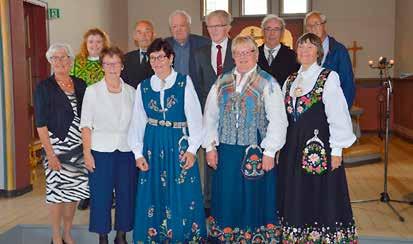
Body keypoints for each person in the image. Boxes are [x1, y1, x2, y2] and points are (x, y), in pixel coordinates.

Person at [203, 35, 288, 242]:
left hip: (255, 151)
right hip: (227, 151)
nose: (242, 56)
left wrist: (270, 151)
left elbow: (278, 119)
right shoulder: (221, 82)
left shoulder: (268, 82)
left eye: (247, 52)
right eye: (237, 52)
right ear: (232, 56)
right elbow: (210, 117)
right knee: (228, 197)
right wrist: (210, 147)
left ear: (256, 54)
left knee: (253, 198)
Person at [278, 33, 357, 243]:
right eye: (301, 46)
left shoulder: (328, 77)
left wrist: (337, 150)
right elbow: (282, 117)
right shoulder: (290, 79)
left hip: (318, 148)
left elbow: (338, 114)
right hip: (292, 149)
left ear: (318, 52)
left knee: (320, 193)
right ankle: (298, 235)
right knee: (296, 192)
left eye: (310, 47)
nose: (304, 51)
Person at [128, 38, 206, 243]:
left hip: (178, 144)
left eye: (161, 57)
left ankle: (183, 237)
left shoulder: (183, 82)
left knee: (182, 192)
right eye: (153, 58)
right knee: (154, 194)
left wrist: (192, 149)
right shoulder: (143, 87)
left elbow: (196, 118)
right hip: (152, 145)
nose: (157, 62)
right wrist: (137, 153)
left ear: (171, 58)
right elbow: (137, 122)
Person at [34, 43, 89, 244]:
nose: (60, 61)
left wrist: (87, 148)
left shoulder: (80, 84)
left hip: (78, 147)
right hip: (56, 147)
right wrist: (49, 154)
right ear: (50, 62)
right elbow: (40, 124)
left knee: (74, 192)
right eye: (55, 58)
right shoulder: (44, 87)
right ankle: (56, 236)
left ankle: (67, 232)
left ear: (71, 60)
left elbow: (88, 117)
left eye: (64, 57)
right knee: (57, 193)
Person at [80, 46, 136, 244]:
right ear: (102, 66)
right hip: (100, 151)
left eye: (116, 63)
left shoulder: (132, 92)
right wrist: (87, 153)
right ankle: (102, 236)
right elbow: (85, 125)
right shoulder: (92, 91)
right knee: (100, 195)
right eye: (107, 63)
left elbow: (137, 125)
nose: (112, 67)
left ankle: (121, 235)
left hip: (126, 151)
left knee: (126, 194)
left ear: (122, 66)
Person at [193, 9, 235, 215]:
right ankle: (209, 202)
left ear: (228, 27)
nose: (213, 30)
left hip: (234, 117)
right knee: (210, 159)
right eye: (210, 26)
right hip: (207, 117)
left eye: (218, 25)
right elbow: (196, 86)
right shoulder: (199, 53)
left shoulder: (239, 50)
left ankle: (229, 200)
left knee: (229, 160)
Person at [305, 11, 355, 108]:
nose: (313, 28)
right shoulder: (303, 52)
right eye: (309, 26)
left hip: (333, 107)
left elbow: (348, 83)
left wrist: (343, 110)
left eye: (316, 24)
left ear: (324, 25)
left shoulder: (339, 50)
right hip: (311, 109)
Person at [166, 10, 210, 83]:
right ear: (170, 29)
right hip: (171, 91)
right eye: (174, 26)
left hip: (196, 92)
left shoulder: (204, 44)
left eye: (182, 25)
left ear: (189, 26)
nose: (178, 29)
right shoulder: (164, 45)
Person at [257, 14, 300, 87]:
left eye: (276, 29)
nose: (272, 33)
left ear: (282, 33)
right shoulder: (253, 55)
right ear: (262, 32)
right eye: (268, 29)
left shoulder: (292, 57)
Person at [121, 20, 155, 89]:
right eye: (139, 32)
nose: (143, 36)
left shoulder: (161, 58)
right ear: (135, 37)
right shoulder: (126, 58)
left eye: (147, 32)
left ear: (153, 35)